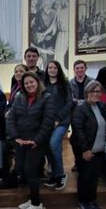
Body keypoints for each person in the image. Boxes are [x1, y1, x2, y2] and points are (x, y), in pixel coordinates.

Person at [7, 72, 55, 209]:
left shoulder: (47, 98)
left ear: (37, 82)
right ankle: (31, 198)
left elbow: (48, 122)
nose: (29, 85)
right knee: (21, 169)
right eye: (26, 83)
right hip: (22, 141)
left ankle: (36, 204)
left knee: (31, 171)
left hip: (37, 142)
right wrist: (16, 137)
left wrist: (37, 140)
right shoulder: (20, 97)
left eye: (31, 82)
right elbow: (11, 118)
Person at [70, 80, 106, 209]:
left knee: (94, 177)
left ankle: (92, 201)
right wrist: (85, 150)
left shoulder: (102, 107)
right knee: (85, 176)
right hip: (85, 149)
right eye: (93, 91)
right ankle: (83, 202)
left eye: (98, 91)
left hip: (99, 149)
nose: (95, 94)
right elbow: (78, 130)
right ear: (87, 92)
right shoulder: (81, 108)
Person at [0, 64, 29, 190]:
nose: (18, 73)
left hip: (22, 125)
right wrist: (7, 110)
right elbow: (10, 103)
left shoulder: (27, 88)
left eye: (21, 71)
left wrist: (11, 112)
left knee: (19, 153)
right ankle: (9, 176)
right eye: (16, 71)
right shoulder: (15, 86)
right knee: (8, 150)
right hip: (12, 124)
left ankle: (17, 177)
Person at [43, 61, 72, 190]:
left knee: (54, 143)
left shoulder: (64, 84)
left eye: (55, 67)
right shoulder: (43, 84)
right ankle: (54, 174)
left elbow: (69, 102)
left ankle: (61, 174)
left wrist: (58, 119)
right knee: (48, 147)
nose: (52, 70)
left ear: (58, 69)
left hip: (62, 121)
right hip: (47, 121)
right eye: (50, 68)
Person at [69, 60, 94, 173]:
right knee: (76, 138)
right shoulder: (70, 83)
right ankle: (77, 161)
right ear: (74, 70)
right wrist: (77, 101)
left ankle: (89, 161)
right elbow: (69, 98)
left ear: (85, 68)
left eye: (81, 68)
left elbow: (95, 95)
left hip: (89, 112)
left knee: (89, 137)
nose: (79, 70)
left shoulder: (92, 81)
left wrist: (85, 101)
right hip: (75, 113)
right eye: (77, 68)